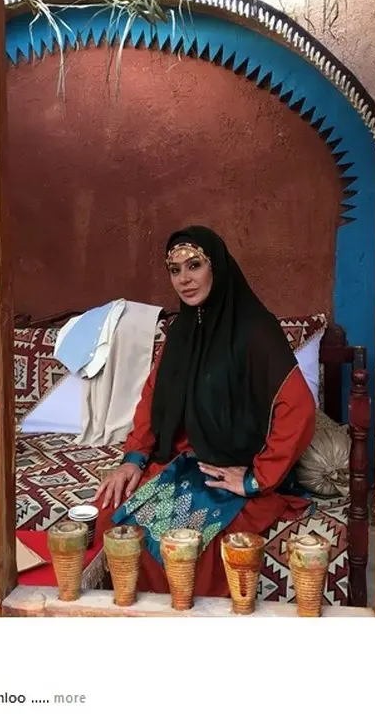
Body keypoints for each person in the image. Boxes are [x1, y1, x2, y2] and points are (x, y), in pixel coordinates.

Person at [94, 226, 316, 597]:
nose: (184, 279)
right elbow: (153, 399)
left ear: (217, 267)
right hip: (181, 462)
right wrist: (133, 459)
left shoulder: (255, 331)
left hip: (226, 467)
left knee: (181, 549)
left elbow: (299, 409)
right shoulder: (182, 332)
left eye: (194, 265)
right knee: (109, 517)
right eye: (175, 270)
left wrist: (257, 478)